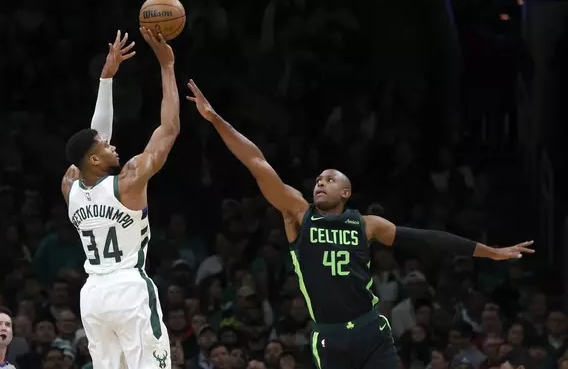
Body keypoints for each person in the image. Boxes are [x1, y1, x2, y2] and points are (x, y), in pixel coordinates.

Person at [185, 80, 535, 369]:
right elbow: (256, 161)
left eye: (330, 179)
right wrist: (216, 120)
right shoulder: (298, 214)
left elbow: (429, 240)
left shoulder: (367, 225)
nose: (320, 182)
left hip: (371, 331)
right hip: (330, 335)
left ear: (346, 192)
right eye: (319, 178)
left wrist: (489, 252)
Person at [62, 27, 179, 369]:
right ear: (95, 159)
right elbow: (169, 129)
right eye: (105, 147)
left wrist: (106, 79)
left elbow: (90, 144)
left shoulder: (70, 186)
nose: (112, 144)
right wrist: (167, 66)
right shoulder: (128, 181)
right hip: (128, 287)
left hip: (93, 296)